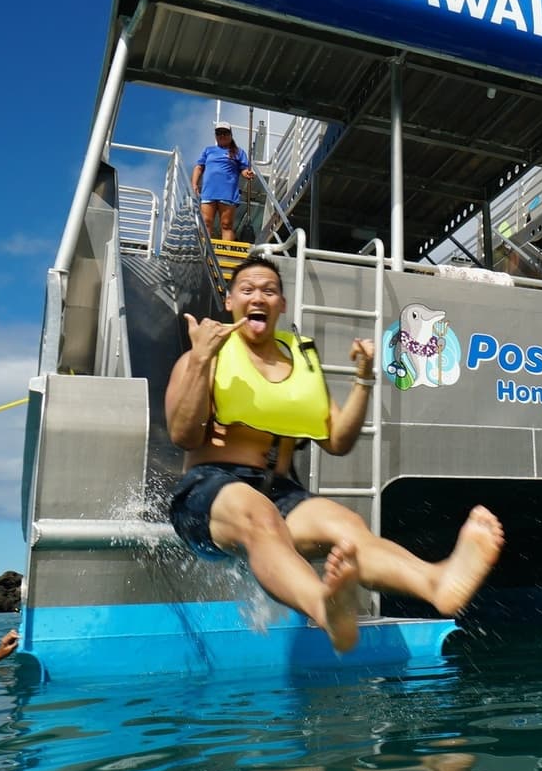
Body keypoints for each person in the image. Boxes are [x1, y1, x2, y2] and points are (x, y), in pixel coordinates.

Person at [164, 256, 504, 653]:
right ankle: (325, 610)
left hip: (281, 493)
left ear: (282, 305)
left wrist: (364, 379)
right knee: (257, 512)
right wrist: (202, 359)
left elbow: (339, 441)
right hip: (208, 493)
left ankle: (436, 583)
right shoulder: (203, 356)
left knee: (347, 525)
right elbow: (183, 435)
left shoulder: (300, 366)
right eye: (248, 289)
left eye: (269, 290)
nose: (258, 296)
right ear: (230, 301)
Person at [192, 121, 255, 242]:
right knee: (206, 222)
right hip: (208, 192)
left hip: (227, 193)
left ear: (231, 135)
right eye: (219, 133)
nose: (222, 135)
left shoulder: (238, 152)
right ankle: (204, 251)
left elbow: (243, 169)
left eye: (225, 133)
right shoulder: (208, 150)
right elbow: (199, 167)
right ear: (215, 135)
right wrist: (194, 184)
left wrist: (247, 173)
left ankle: (227, 251)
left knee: (226, 224)